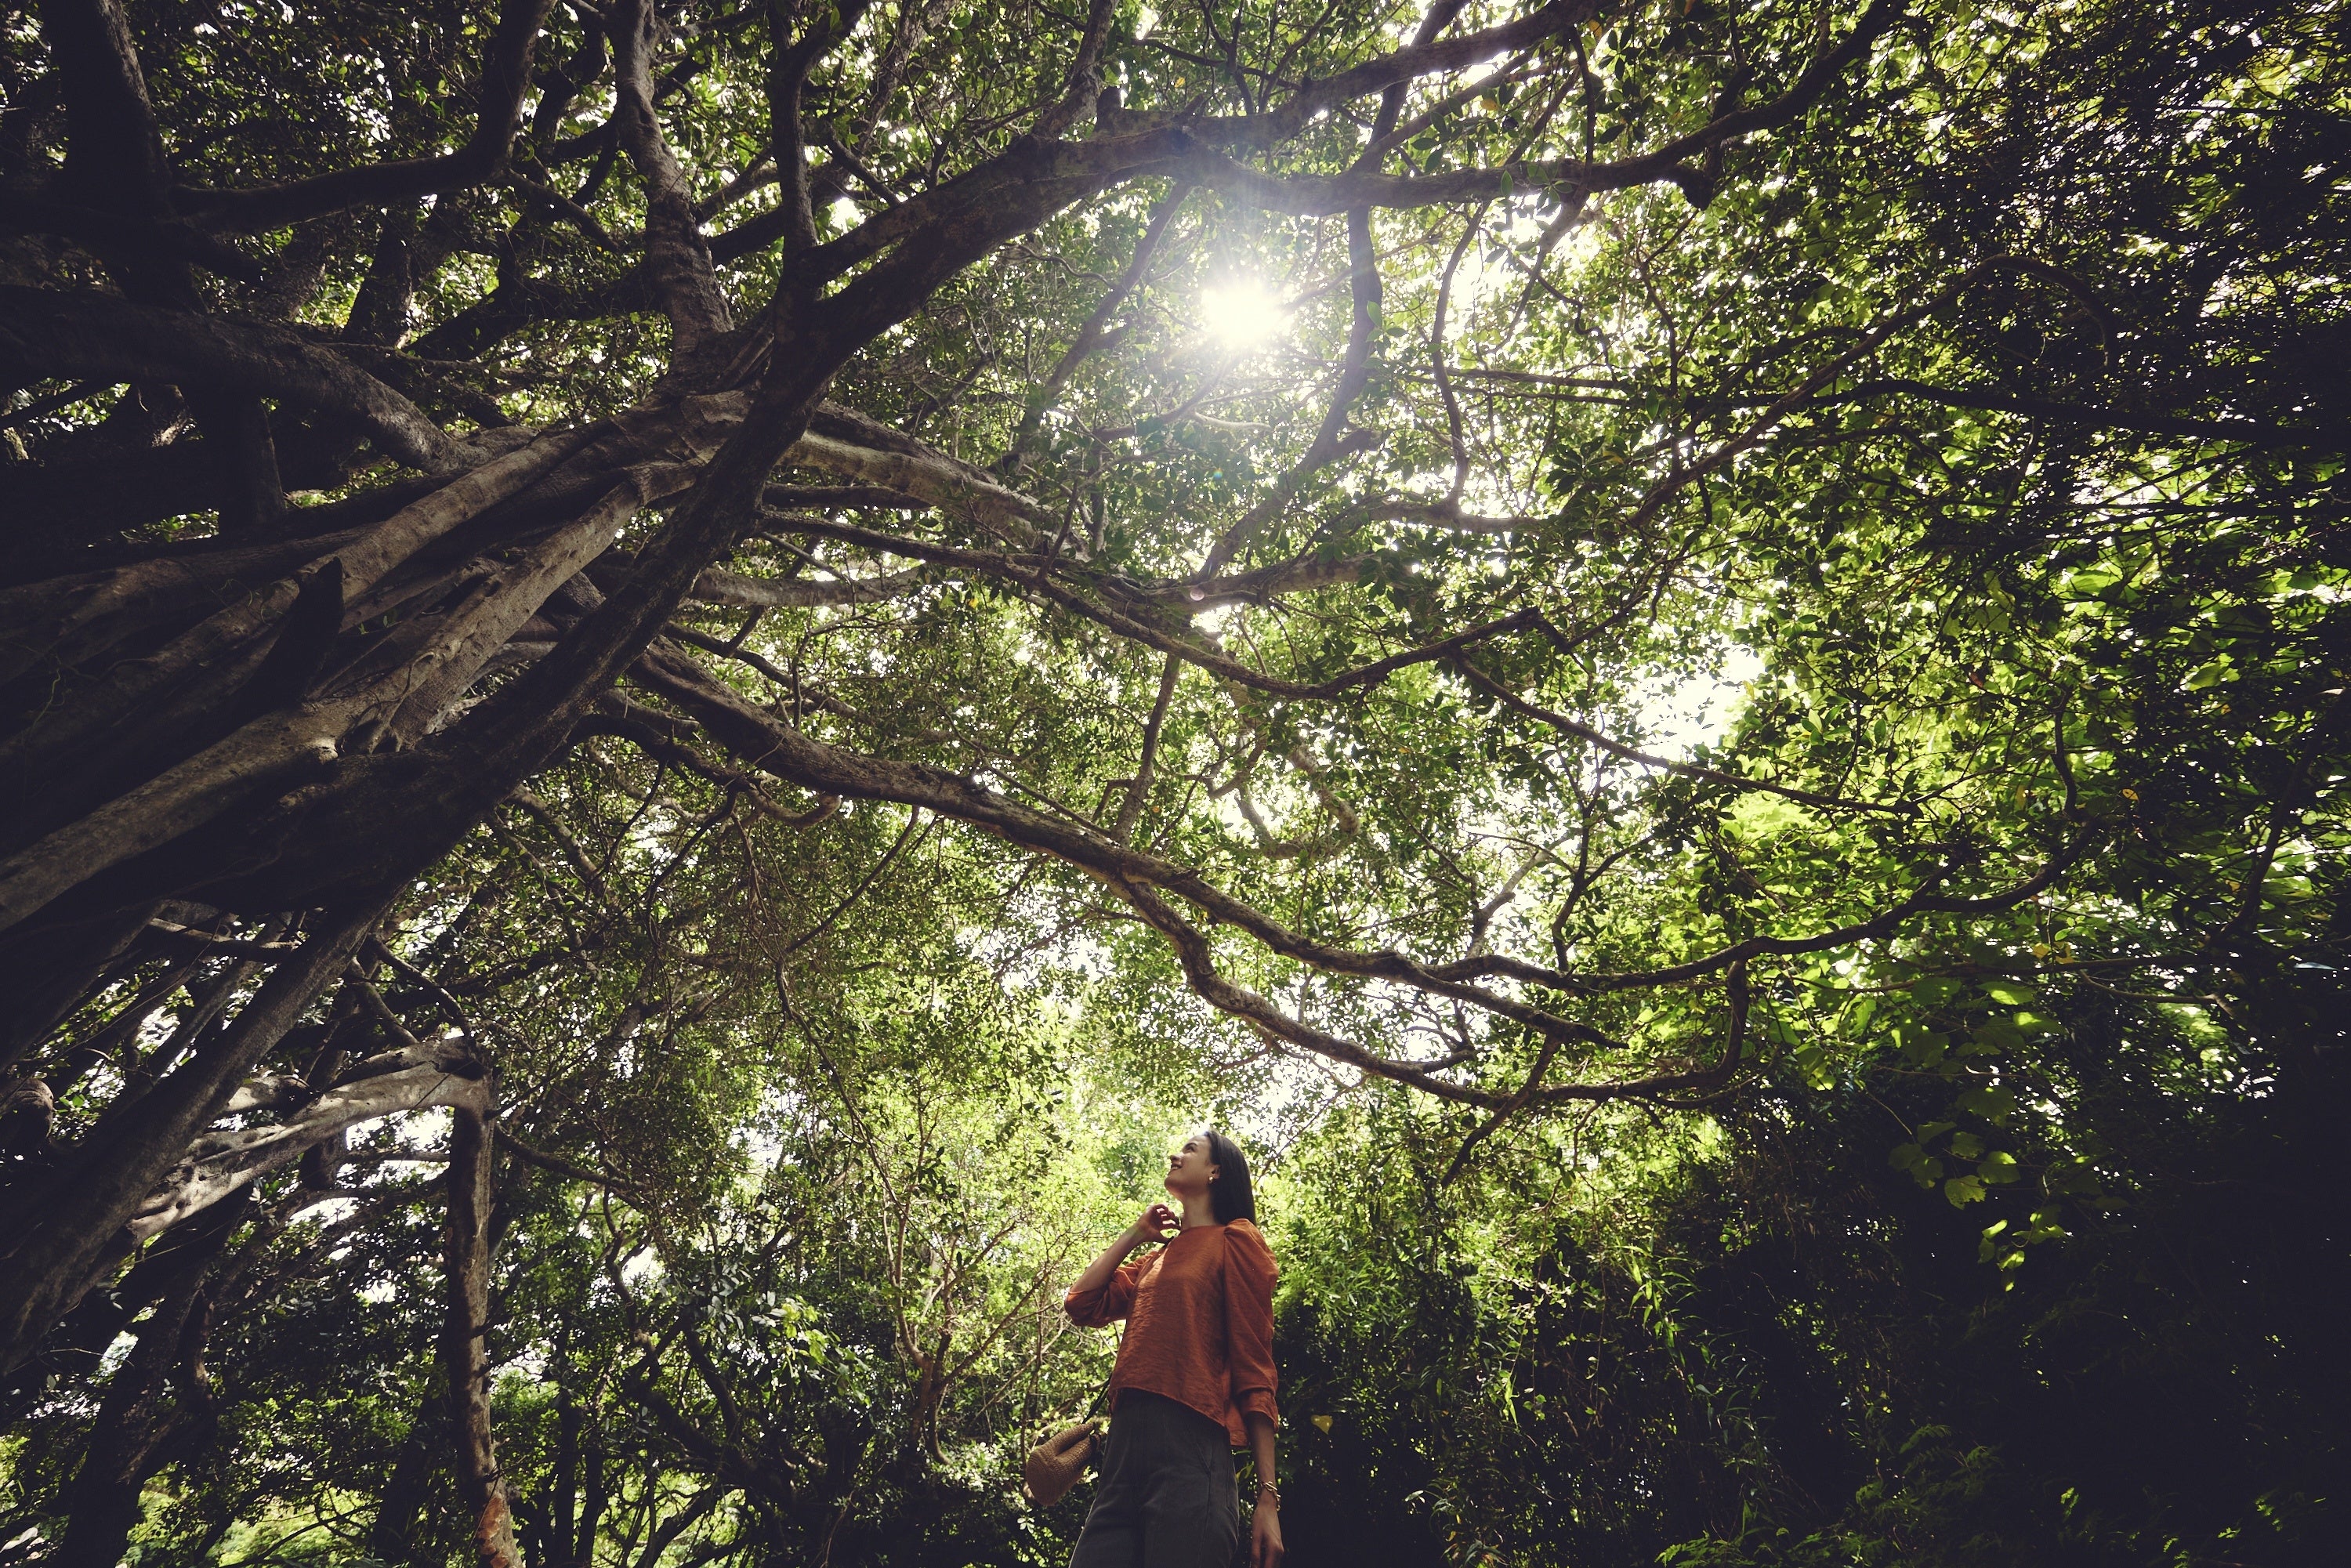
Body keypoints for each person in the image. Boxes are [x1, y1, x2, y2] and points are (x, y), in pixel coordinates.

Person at [1063, 1128, 1284, 1568]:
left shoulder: (1235, 1242)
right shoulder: (1157, 1258)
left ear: (1216, 1170)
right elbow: (1081, 1303)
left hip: (1191, 1453)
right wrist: (1136, 1233)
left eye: (1190, 1149)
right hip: (1122, 1457)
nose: (1175, 1154)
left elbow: (1255, 1369)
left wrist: (1267, 1497)